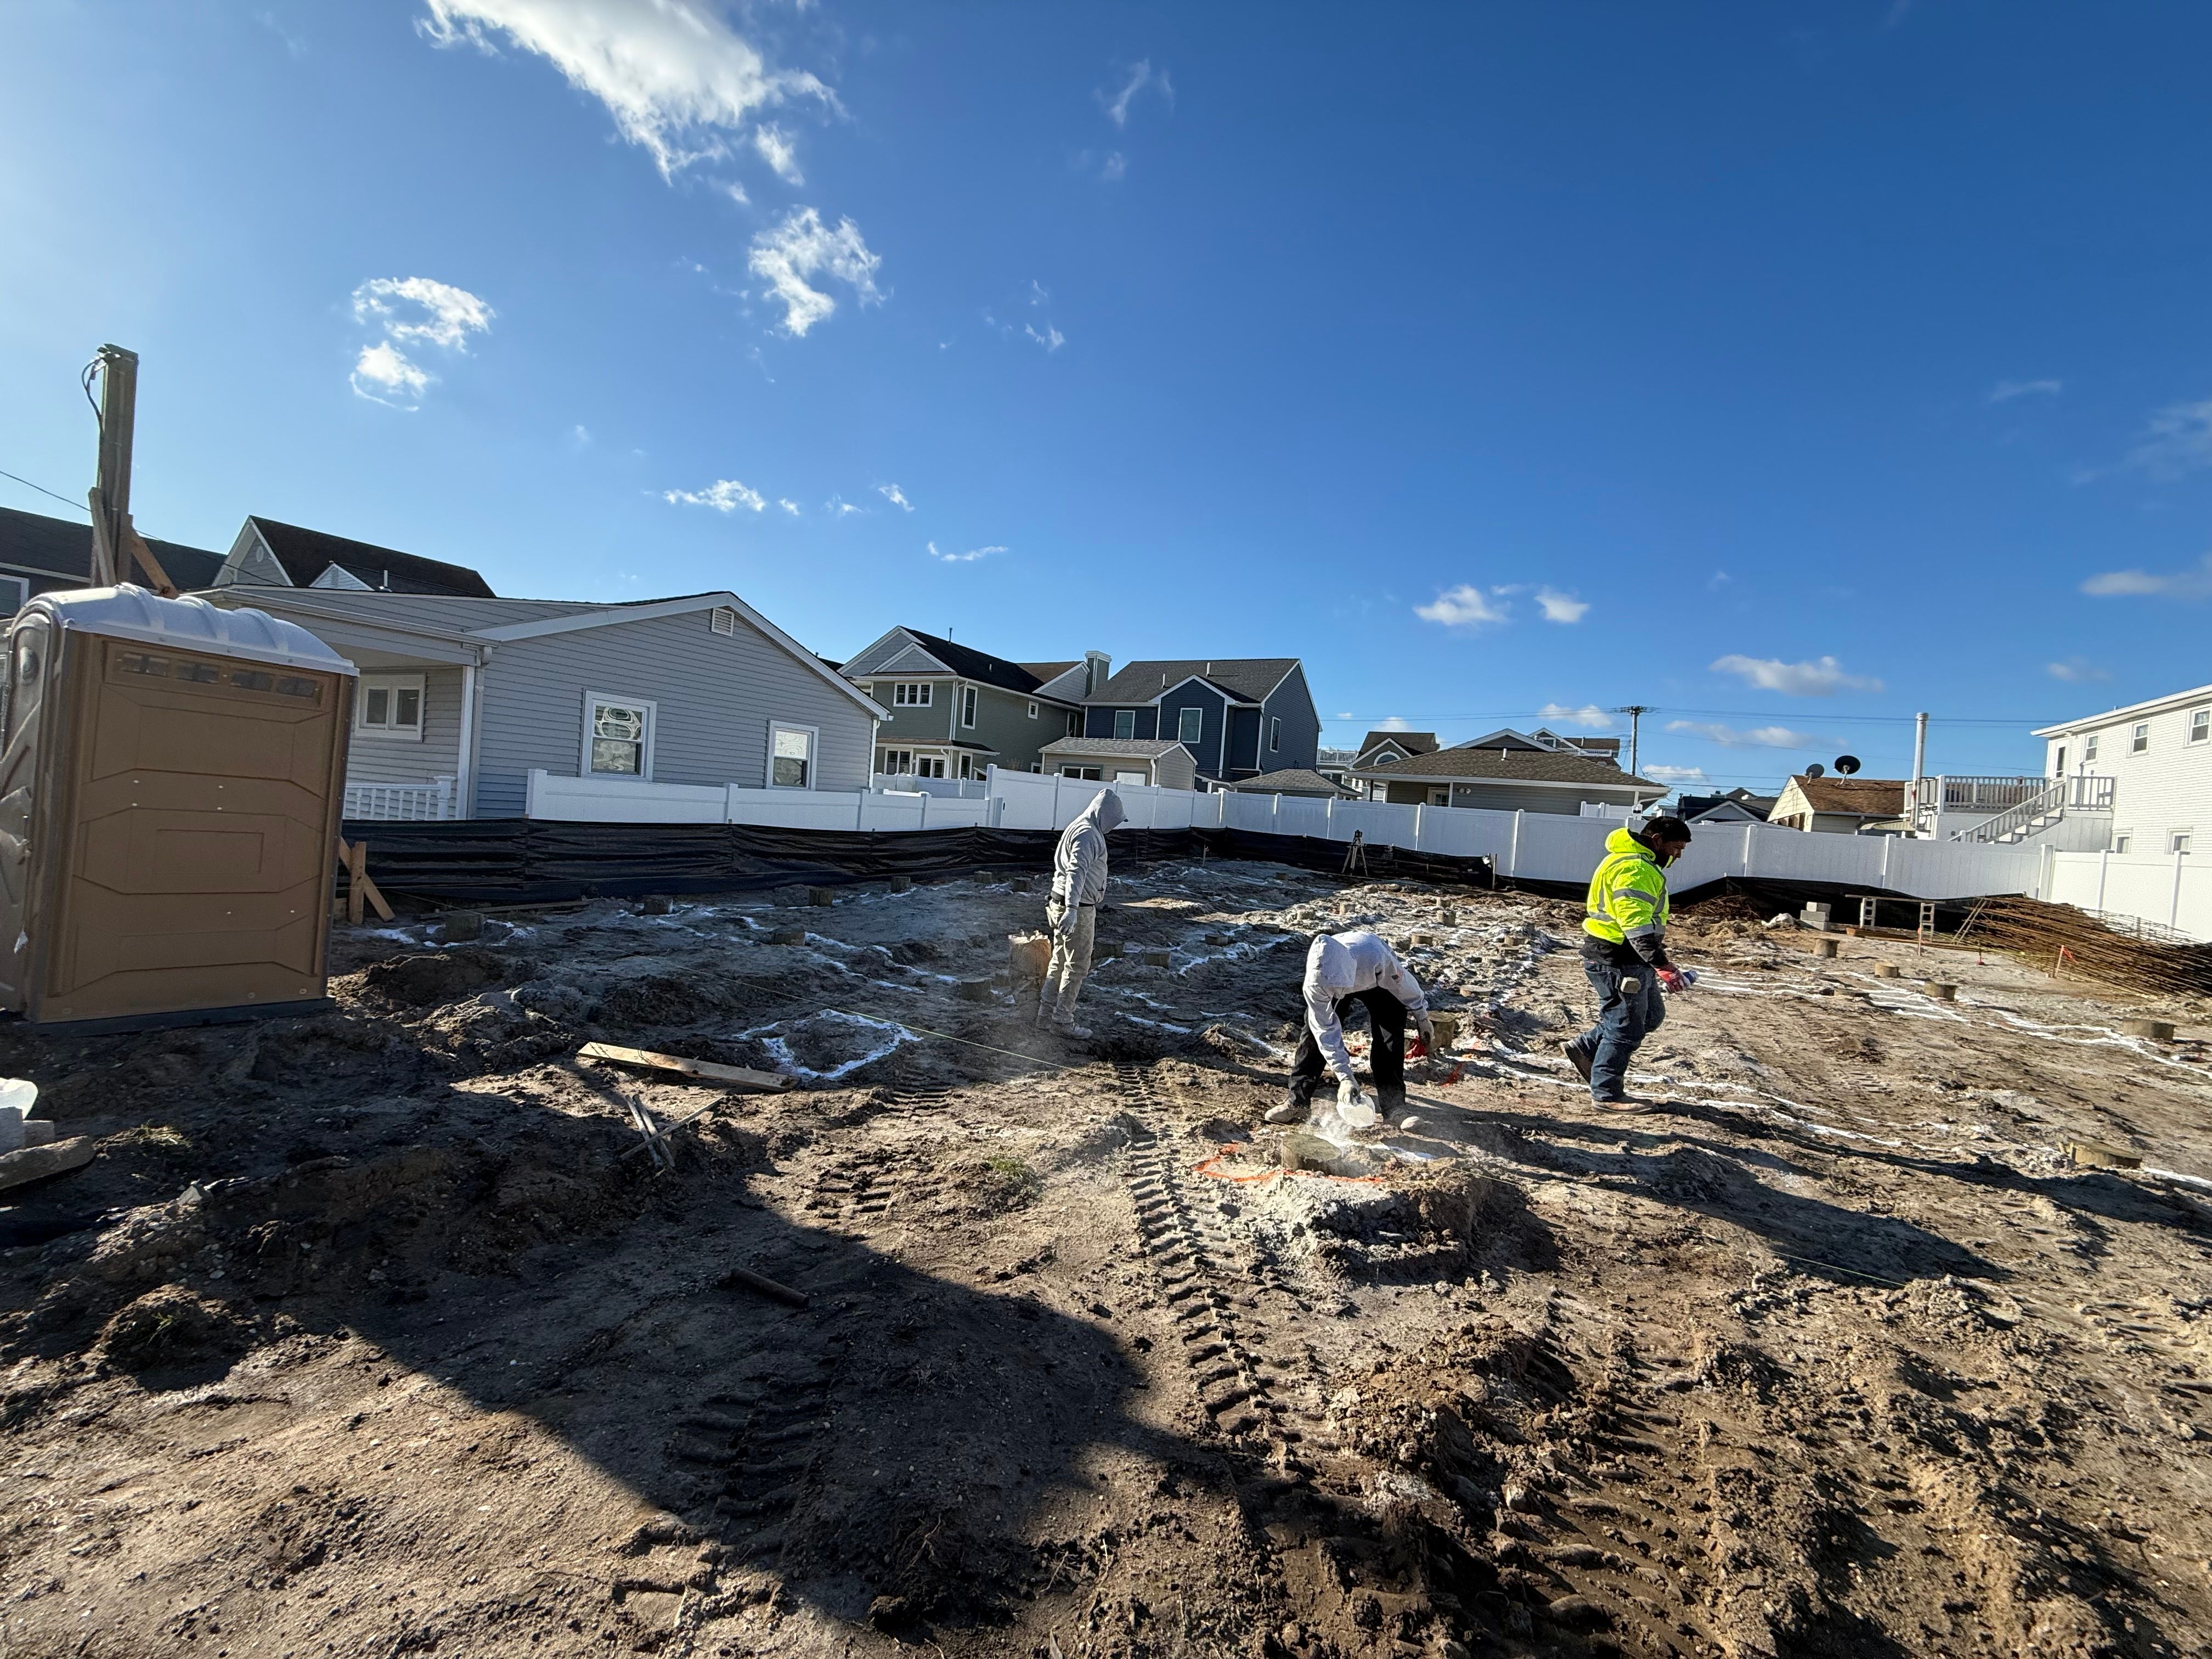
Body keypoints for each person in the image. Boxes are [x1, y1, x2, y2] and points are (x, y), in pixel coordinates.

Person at [1565, 815, 1694, 1109]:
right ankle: (1607, 1094)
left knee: (1649, 1017)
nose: (1678, 855)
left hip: (1626, 956)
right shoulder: (1636, 868)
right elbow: (1635, 923)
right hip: (1618, 958)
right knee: (1625, 1027)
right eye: (1676, 847)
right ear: (1657, 840)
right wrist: (1663, 964)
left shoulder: (1629, 861)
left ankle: (1585, 1048)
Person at [1267, 929, 1435, 1127]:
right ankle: (1298, 1103)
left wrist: (1422, 1015)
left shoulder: (1376, 958)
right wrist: (1345, 1077)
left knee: (1390, 1037)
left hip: (1379, 983)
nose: (1337, 993)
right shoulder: (1315, 983)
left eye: (1338, 988)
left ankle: (1395, 1109)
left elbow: (1403, 985)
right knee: (1312, 1035)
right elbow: (1325, 1031)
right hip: (1336, 979)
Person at [1036, 787, 1125, 1036]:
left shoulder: (1080, 826)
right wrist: (1073, 910)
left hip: (1061, 903)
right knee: (1077, 966)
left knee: (1059, 961)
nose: (1114, 827)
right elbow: (1077, 872)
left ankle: (1044, 1018)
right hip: (1076, 908)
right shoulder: (1088, 834)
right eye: (1113, 821)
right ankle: (1062, 1022)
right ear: (1103, 814)